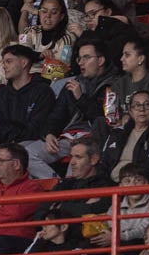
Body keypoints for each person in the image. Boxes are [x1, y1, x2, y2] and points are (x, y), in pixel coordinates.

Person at [25, 39, 121, 178]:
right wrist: (50, 133)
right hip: (69, 138)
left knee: (76, 165)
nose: (81, 62)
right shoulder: (74, 83)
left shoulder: (114, 85)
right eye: (79, 58)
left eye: (86, 57)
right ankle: (60, 185)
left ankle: (68, 189)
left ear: (100, 61)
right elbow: (56, 115)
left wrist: (80, 98)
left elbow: (104, 119)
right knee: (27, 154)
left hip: (93, 141)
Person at [0, 44, 55, 181]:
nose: (4, 66)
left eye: (9, 61)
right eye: (4, 62)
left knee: (16, 154)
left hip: (26, 144)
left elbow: (36, 129)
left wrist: (6, 143)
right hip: (0, 146)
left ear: (24, 63)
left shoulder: (43, 91)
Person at [99, 91, 149, 182]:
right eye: (137, 105)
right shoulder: (118, 132)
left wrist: (129, 182)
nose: (142, 109)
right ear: (130, 111)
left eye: (147, 105)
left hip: (138, 184)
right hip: (112, 186)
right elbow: (103, 163)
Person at [11, 206, 90, 255]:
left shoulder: (76, 251)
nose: (43, 226)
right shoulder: (39, 247)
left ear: (63, 227)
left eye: (48, 223)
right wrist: (37, 243)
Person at [18, 0, 76, 82]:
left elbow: (61, 71)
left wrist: (37, 68)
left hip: (47, 84)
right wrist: (40, 55)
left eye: (53, 13)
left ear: (61, 16)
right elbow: (22, 53)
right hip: (25, 78)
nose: (48, 16)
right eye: (44, 11)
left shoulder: (67, 39)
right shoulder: (29, 31)